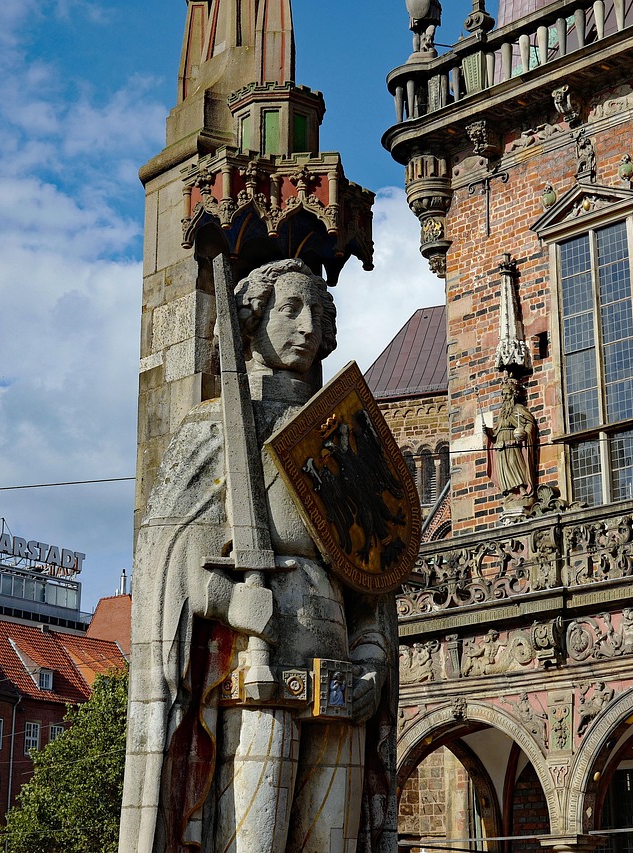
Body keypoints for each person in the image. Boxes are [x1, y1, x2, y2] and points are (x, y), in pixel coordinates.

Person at [120, 259, 397, 853]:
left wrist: (373, 658)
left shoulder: (340, 432)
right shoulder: (216, 428)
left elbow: (372, 574)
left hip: (342, 678)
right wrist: (230, 601)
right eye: (290, 309)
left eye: (318, 315)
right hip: (259, 674)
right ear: (253, 320)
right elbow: (167, 554)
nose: (306, 328)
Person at [484, 377, 538, 508]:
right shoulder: (502, 413)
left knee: (515, 464)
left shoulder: (518, 409)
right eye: (503, 394)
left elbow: (529, 423)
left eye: (508, 394)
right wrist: (488, 432)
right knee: (504, 468)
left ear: (514, 394)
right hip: (501, 444)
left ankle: (522, 489)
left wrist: (524, 432)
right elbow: (498, 430)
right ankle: (510, 492)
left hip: (512, 443)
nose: (505, 397)